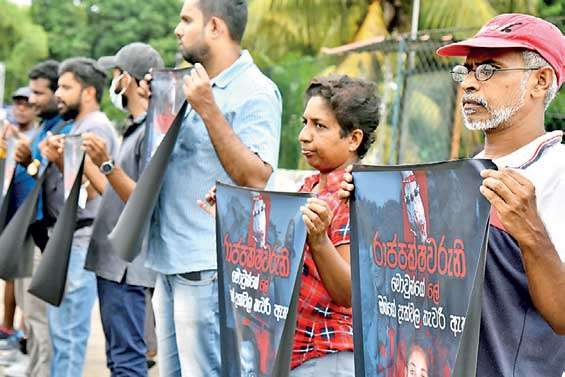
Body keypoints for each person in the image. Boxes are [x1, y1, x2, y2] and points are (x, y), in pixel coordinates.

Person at [340, 13, 565, 376]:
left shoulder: (556, 172)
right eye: (467, 71)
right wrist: (371, 206)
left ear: (540, 81)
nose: (469, 84)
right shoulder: (460, 177)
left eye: (488, 70)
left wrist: (532, 234)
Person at [138, 0, 282, 375]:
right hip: (168, 260)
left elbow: (255, 177)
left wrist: (208, 108)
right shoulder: (185, 83)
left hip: (208, 267)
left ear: (215, 27)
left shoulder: (256, 90)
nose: (177, 29)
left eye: (187, 20)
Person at [201, 75, 380, 376]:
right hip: (293, 354)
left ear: (353, 139)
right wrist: (233, 214)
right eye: (305, 122)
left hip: (328, 357)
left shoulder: (356, 195)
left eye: (319, 126)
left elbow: (349, 293)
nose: (303, 135)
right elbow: (276, 261)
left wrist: (320, 240)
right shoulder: (308, 188)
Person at [81, 42, 164, 377]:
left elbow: (141, 199)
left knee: (128, 361)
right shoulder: (135, 129)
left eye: (116, 74)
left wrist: (106, 163)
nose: (113, 82)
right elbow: (114, 193)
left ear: (127, 79)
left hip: (127, 269)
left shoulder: (151, 132)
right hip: (115, 267)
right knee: (119, 359)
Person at [40, 57, 119, 377]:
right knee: (61, 331)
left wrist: (60, 159)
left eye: (65, 87)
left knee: (69, 333)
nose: (58, 93)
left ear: (88, 92)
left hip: (80, 241)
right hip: (67, 239)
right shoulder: (78, 126)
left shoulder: (96, 127)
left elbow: (93, 188)